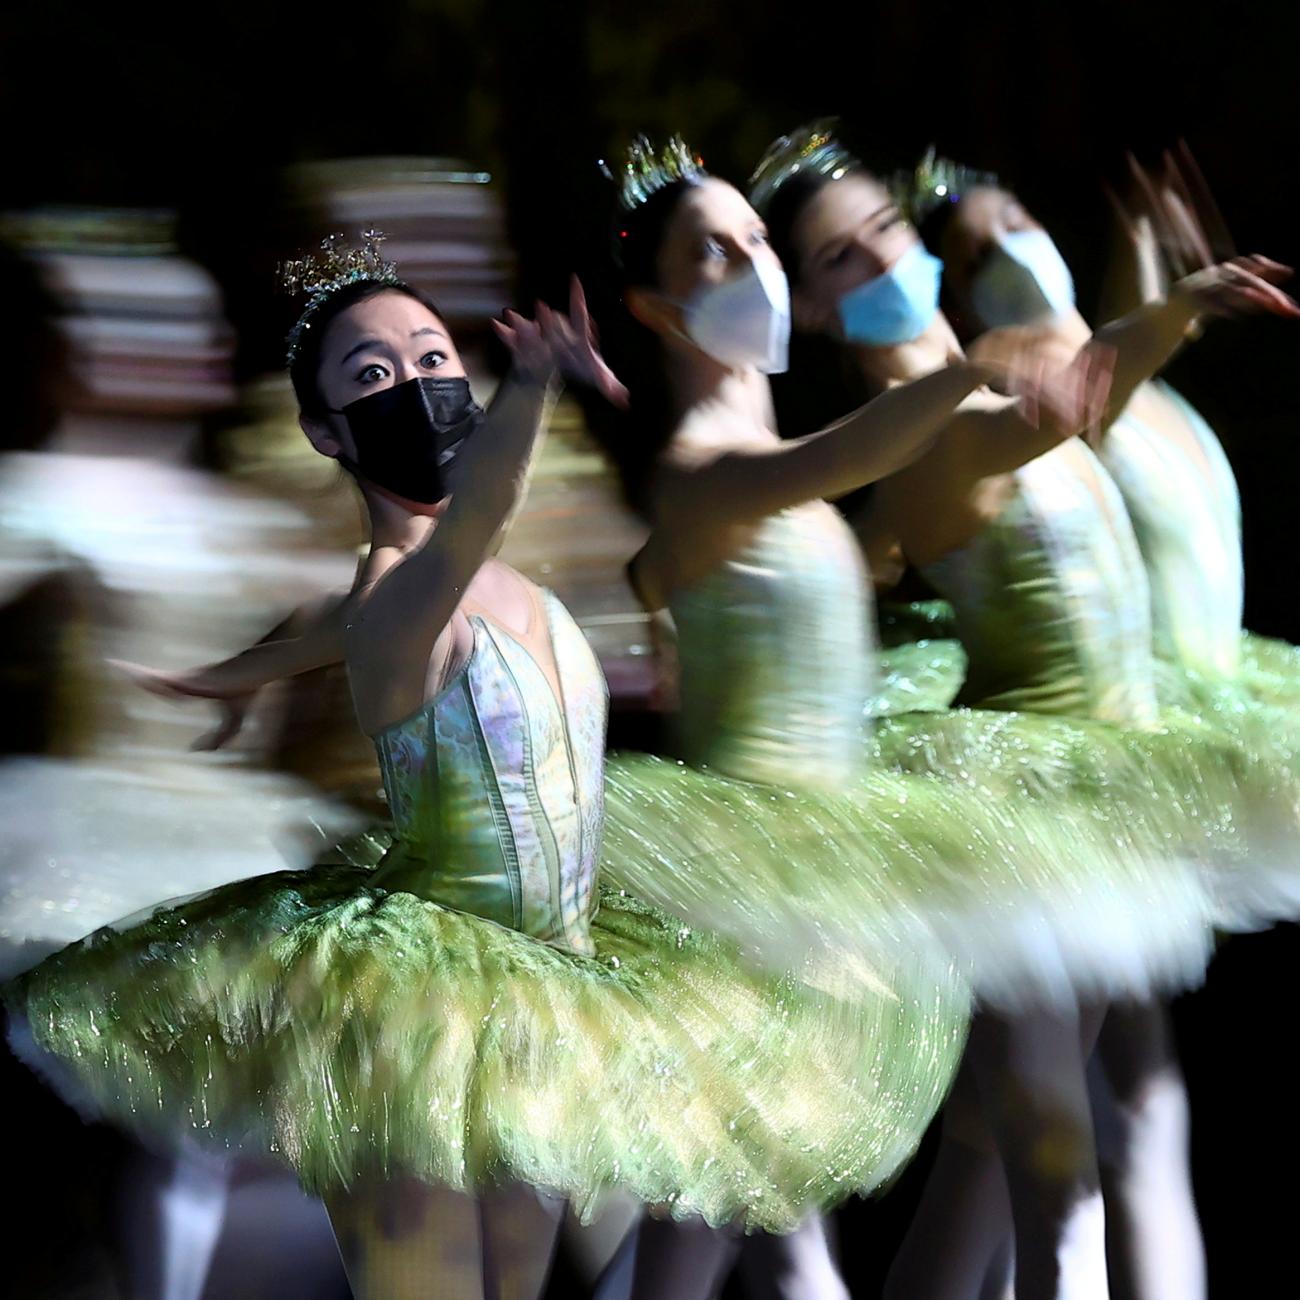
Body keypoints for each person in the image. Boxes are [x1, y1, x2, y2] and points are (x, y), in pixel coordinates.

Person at [4, 231, 974, 1300]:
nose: (417, 386)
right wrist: (532, 386)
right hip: (415, 1022)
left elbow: (362, 606)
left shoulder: (498, 597)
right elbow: (455, 540)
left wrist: (242, 671)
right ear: (326, 431)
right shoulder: (402, 588)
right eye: (372, 376)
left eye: (431, 359)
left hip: (548, 1003)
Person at [752, 121, 1300, 1300]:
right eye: (842, 258)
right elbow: (1050, 413)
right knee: (1059, 1188)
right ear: (807, 308)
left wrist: (1159, 305)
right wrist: (1168, 317)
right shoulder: (919, 444)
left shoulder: (1014, 368)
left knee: (987, 1179)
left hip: (1110, 796)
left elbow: (1077, 383)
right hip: (1021, 826)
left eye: (887, 229)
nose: (886, 259)